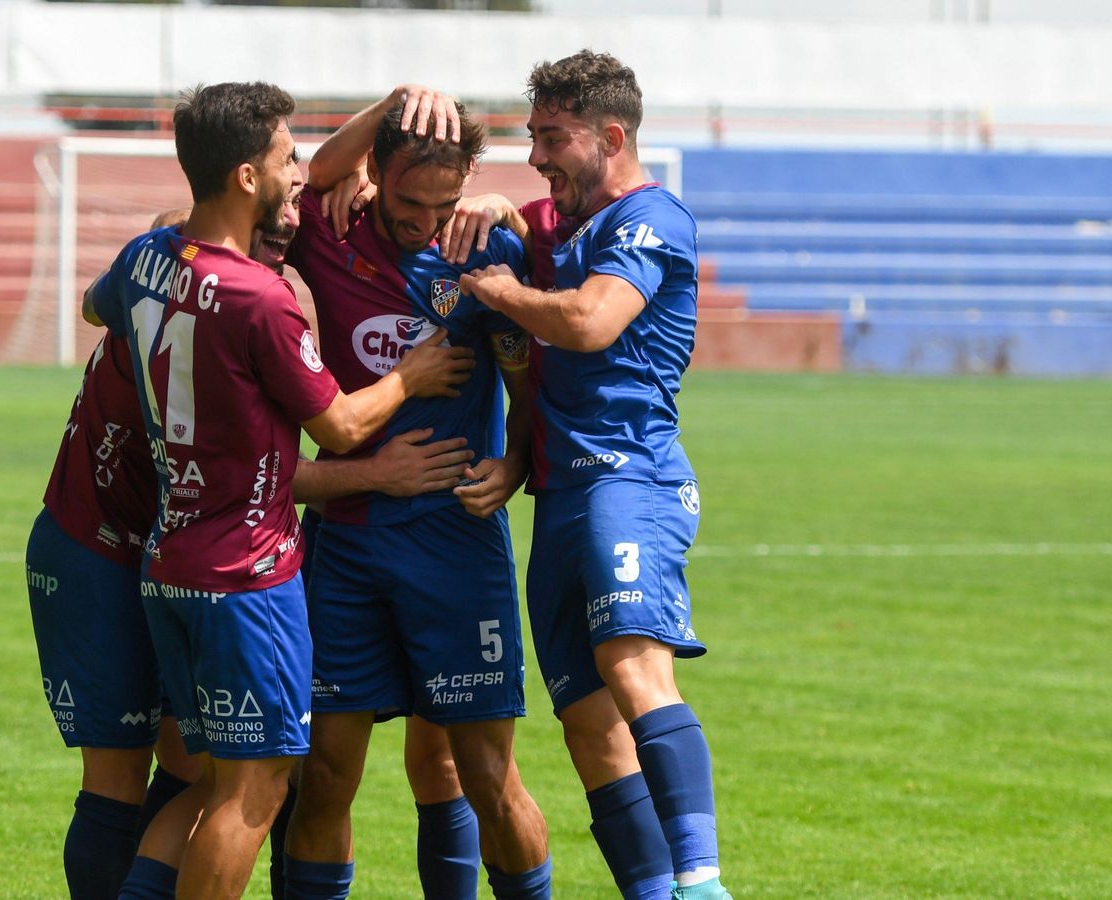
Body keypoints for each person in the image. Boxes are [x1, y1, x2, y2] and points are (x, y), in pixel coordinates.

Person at [85, 81, 473, 900]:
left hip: (170, 559)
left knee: (204, 783)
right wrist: (410, 377)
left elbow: (96, 308)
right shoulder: (262, 298)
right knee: (253, 791)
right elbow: (340, 425)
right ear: (246, 177)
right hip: (246, 574)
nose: (300, 172)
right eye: (286, 158)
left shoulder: (144, 259)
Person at [459, 51, 734, 900]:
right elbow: (529, 223)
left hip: (629, 479)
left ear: (611, 138)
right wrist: (498, 209)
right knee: (587, 725)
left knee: (633, 669)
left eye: (553, 137)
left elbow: (587, 322)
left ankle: (701, 884)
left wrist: (501, 292)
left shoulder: (653, 219)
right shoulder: (563, 223)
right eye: (533, 135)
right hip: (560, 497)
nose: (536, 154)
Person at [280, 86, 551, 900]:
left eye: (445, 201)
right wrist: (394, 98)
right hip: (347, 544)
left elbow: (527, 383)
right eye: (408, 203)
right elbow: (310, 174)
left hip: (455, 541)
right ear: (375, 173)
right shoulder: (328, 231)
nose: (426, 222)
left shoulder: (483, 250)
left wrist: (515, 463)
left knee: (485, 776)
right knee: (325, 776)